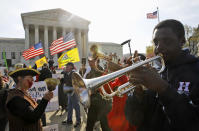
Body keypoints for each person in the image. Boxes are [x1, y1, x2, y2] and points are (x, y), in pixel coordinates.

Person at [125, 19, 199, 131]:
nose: (158, 47)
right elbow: (135, 121)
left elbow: (192, 124)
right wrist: (138, 95)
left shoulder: (196, 69)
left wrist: (163, 89)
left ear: (182, 41)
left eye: (167, 41)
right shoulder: (157, 71)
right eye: (156, 42)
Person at [85, 57, 112, 131]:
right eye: (89, 61)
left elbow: (107, 84)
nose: (90, 63)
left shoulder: (102, 71)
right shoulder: (89, 74)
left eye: (92, 61)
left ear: (97, 61)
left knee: (105, 125)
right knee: (89, 124)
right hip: (93, 101)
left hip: (102, 102)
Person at [62, 62, 81, 128]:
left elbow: (77, 82)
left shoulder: (73, 73)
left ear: (71, 67)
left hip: (74, 91)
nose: (66, 67)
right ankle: (69, 120)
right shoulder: (66, 73)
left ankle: (78, 121)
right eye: (66, 66)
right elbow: (65, 81)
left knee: (76, 106)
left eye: (67, 66)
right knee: (69, 106)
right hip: (69, 90)